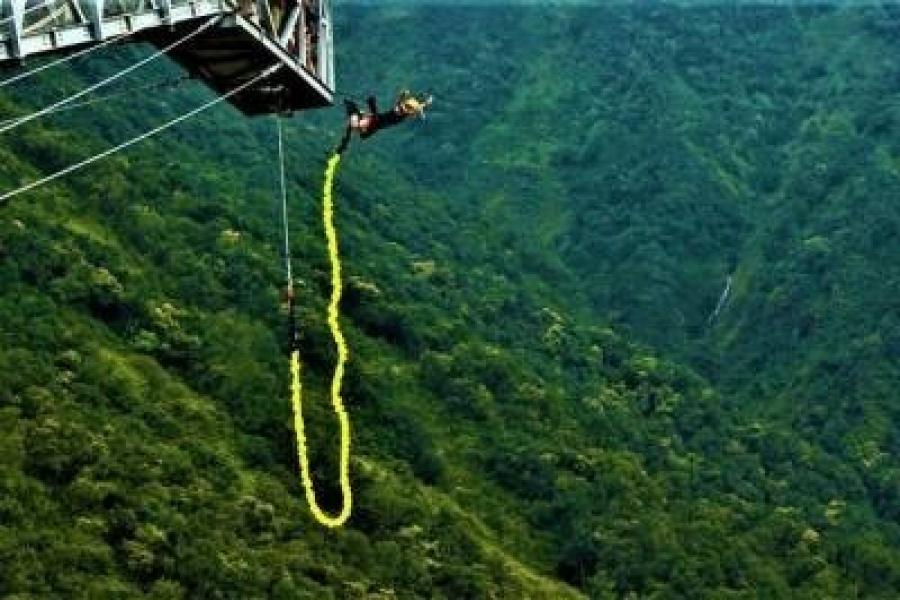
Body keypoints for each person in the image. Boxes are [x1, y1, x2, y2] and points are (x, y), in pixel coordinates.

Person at [336, 90, 433, 154]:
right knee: (356, 124)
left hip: (376, 122)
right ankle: (354, 110)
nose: (402, 107)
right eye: (405, 106)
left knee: (358, 127)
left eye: (407, 107)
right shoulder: (401, 109)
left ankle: (355, 112)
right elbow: (399, 103)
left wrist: (423, 105)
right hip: (376, 121)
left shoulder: (404, 114)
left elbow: (413, 109)